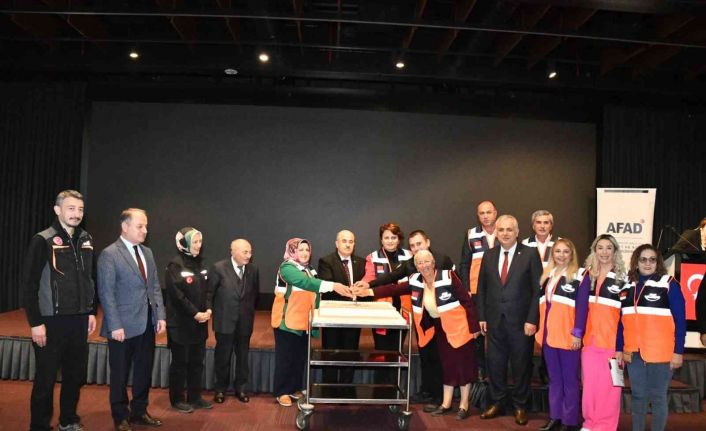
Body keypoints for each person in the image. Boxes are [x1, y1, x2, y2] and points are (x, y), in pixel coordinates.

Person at [353, 250, 481, 420]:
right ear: (416, 266)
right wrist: (369, 291)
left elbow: (467, 301)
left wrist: (474, 327)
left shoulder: (448, 276)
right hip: (439, 328)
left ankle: (464, 405)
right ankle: (446, 403)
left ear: (433, 262)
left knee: (462, 365)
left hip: (460, 326)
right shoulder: (415, 280)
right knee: (446, 364)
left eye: (426, 261)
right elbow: (393, 289)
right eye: (419, 263)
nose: (424, 265)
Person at [22, 190, 96, 431]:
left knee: (75, 376)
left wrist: (90, 311)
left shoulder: (86, 239)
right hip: (50, 321)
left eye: (80, 209)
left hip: (79, 320)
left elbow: (89, 279)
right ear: (58, 210)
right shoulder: (42, 240)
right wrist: (35, 322)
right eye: (71, 208)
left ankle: (68, 420)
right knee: (45, 380)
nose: (77, 214)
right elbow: (29, 285)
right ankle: (39, 426)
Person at [354, 229, 454, 406]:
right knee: (425, 354)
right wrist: (369, 285)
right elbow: (391, 279)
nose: (416, 248)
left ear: (428, 243)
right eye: (413, 245)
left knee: (438, 356)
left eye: (419, 244)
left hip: (444, 317)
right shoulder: (410, 264)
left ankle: (439, 397)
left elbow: (458, 286)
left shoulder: (443, 260)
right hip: (422, 316)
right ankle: (427, 391)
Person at [97, 208, 166, 431]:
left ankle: (139, 412)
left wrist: (160, 315)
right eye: (140, 226)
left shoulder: (147, 253)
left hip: (147, 323)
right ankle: (120, 417)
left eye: (146, 226)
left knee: (144, 370)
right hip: (122, 326)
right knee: (120, 373)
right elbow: (106, 293)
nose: (145, 230)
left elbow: (154, 286)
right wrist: (114, 324)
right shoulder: (110, 254)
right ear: (125, 227)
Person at [476, 214, 542, 426]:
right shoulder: (489, 255)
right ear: (496, 232)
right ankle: (497, 402)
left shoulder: (530, 254)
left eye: (509, 230)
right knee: (495, 365)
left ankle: (520, 405)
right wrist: (482, 316)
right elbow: (482, 288)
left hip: (522, 323)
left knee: (521, 365)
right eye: (501, 229)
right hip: (494, 321)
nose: (505, 233)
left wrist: (532, 319)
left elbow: (537, 290)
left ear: (517, 232)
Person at [271, 238, 352, 407]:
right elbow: (306, 283)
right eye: (300, 250)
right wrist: (333, 286)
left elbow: (314, 291)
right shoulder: (287, 268)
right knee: (286, 359)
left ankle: (293, 388)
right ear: (292, 251)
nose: (305, 253)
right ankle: (281, 392)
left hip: (304, 322)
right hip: (287, 321)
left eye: (307, 250)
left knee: (299, 358)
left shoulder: (310, 269)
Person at [617, 244, 686, 431]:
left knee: (658, 397)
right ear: (636, 262)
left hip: (661, 353)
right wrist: (619, 348)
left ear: (658, 262)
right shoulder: (626, 286)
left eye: (652, 260)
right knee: (638, 397)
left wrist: (678, 352)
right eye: (643, 259)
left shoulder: (668, 283)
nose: (647, 263)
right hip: (633, 353)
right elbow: (621, 322)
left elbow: (680, 321)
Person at [535, 238, 588, 431]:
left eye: (566, 251)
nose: (561, 255)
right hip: (549, 336)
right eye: (558, 251)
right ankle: (555, 417)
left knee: (570, 380)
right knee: (555, 379)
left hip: (568, 337)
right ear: (553, 254)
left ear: (572, 254)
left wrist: (577, 334)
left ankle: (569, 420)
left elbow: (582, 308)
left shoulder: (581, 275)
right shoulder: (547, 275)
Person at [580, 234, 627, 431]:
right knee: (590, 386)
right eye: (600, 248)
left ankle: (606, 426)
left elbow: (626, 317)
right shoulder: (586, 276)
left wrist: (621, 346)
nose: (604, 252)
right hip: (590, 342)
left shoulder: (624, 279)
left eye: (609, 248)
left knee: (610, 388)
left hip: (612, 344)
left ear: (615, 251)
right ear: (594, 250)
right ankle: (590, 423)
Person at [163, 227, 212, 413]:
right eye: (195, 242)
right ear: (184, 244)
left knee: (197, 362)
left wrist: (208, 309)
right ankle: (177, 399)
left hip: (199, 323)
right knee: (180, 364)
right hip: (180, 324)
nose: (199, 245)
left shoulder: (201, 264)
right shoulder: (174, 266)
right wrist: (195, 313)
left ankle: (195, 397)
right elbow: (177, 296)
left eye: (200, 241)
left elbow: (208, 291)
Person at [209, 239, 260, 404]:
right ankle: (220, 389)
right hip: (224, 321)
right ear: (233, 251)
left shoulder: (253, 270)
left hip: (245, 322)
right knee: (222, 357)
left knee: (243, 358)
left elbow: (255, 295)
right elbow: (210, 294)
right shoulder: (218, 268)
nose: (249, 255)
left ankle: (241, 388)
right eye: (245, 252)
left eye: (250, 252)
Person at [362, 223, 413, 383]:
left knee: (397, 350)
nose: (390, 241)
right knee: (381, 350)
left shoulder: (410, 255)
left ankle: (394, 387)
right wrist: (360, 286)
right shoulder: (372, 257)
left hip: (404, 310)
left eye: (393, 237)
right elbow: (368, 279)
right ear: (381, 239)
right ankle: (380, 388)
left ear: (399, 239)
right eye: (386, 237)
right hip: (381, 311)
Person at [317, 230, 367, 383]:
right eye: (344, 241)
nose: (348, 244)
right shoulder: (326, 261)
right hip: (333, 316)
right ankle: (329, 388)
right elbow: (328, 286)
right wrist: (350, 292)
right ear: (336, 243)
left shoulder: (362, 262)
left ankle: (346, 387)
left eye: (351, 241)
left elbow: (366, 287)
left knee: (350, 354)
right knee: (330, 353)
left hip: (354, 316)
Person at [460, 200, 498, 294]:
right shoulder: (471, 235)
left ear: (495, 213)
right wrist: (466, 289)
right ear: (478, 215)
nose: (485, 216)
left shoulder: (505, 232)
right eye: (482, 213)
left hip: (502, 287)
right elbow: (465, 265)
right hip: (479, 289)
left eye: (488, 212)